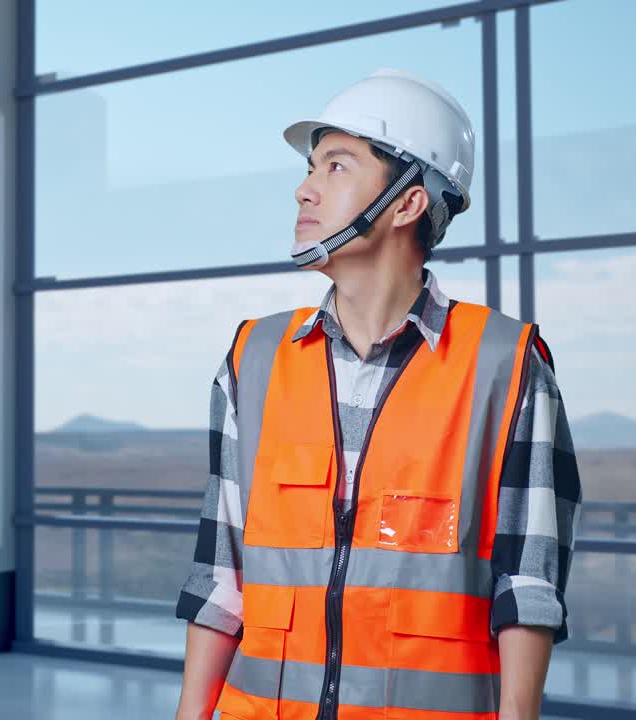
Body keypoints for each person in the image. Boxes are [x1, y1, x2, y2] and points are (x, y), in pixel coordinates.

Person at [173, 69, 581, 720]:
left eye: (336, 167)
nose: (305, 189)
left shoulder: (505, 367)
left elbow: (527, 589)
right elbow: (220, 580)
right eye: (311, 168)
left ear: (406, 203)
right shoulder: (252, 359)